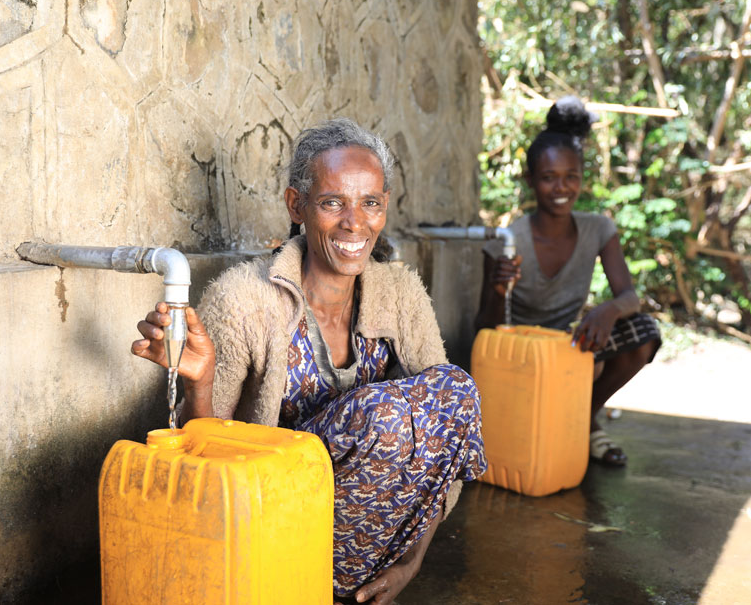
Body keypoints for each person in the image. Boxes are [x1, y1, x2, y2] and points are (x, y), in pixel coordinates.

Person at [132, 118, 487, 604]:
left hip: (373, 549)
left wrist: (412, 563)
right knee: (379, 414)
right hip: (270, 533)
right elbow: (203, 471)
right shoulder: (242, 300)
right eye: (332, 202)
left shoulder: (400, 293)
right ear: (296, 205)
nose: (354, 223)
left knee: (457, 388)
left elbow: (450, 439)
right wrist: (200, 382)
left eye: (370, 203)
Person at [474, 96, 661, 467]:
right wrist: (499, 290)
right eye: (548, 178)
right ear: (530, 180)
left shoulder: (598, 230)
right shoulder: (508, 241)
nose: (561, 188)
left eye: (570, 177)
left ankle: (582, 420)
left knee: (643, 332)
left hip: (570, 347)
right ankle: (564, 422)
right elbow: (485, 329)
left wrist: (609, 310)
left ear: (582, 178)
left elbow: (630, 297)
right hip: (521, 356)